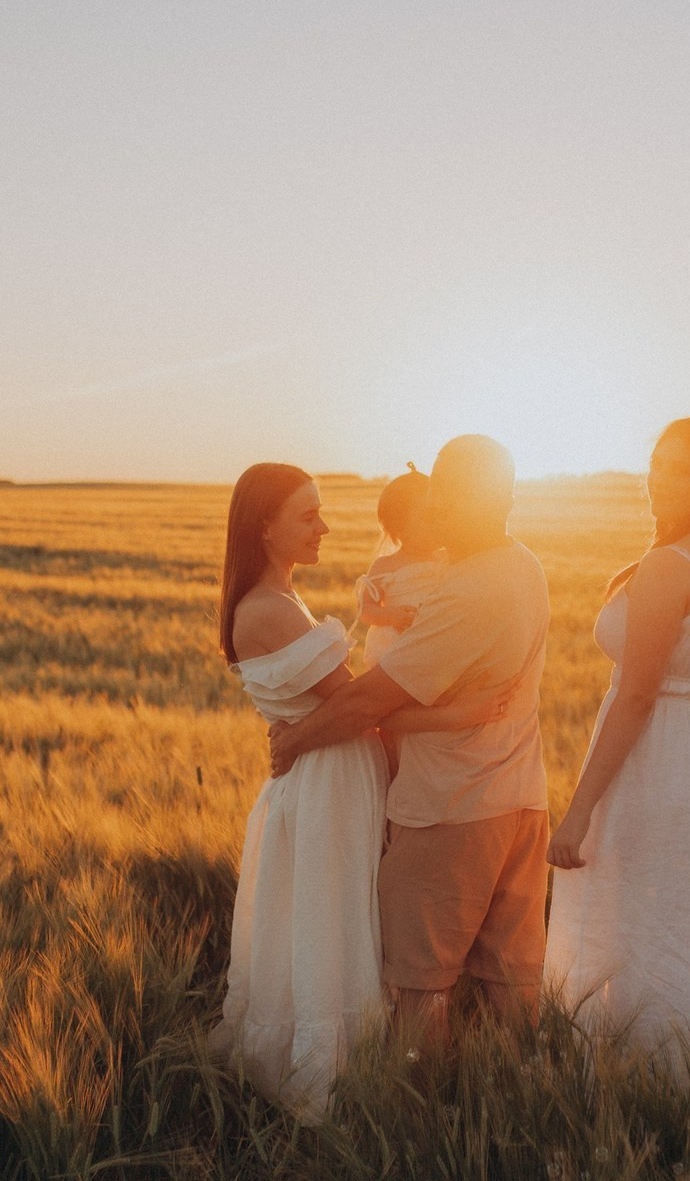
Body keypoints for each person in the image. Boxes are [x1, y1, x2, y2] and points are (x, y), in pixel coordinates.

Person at [210, 463, 503, 1115]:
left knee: (341, 915)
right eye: (307, 515)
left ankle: (346, 1073)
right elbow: (362, 704)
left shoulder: (285, 602)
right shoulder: (265, 610)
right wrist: (455, 713)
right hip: (323, 790)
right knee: (330, 917)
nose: (326, 526)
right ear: (265, 526)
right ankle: (324, 1086)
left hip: (335, 779)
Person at [543, 417, 690, 1137]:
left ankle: (644, 1112)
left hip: (659, 766)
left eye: (677, 470)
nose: (656, 479)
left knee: (642, 926)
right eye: (654, 463)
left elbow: (639, 695)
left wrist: (579, 808)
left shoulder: (672, 566)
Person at [269, 435, 549, 1046]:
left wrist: (294, 741)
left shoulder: (469, 587)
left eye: (443, 489)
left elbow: (375, 698)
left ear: (463, 497)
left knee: (420, 988)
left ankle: (419, 1125)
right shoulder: (521, 562)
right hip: (521, 799)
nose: (434, 501)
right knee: (511, 983)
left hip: (451, 808)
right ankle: (525, 1106)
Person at [355, 464, 443, 670]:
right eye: (427, 518)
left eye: (439, 515)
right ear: (399, 525)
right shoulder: (386, 565)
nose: (437, 523)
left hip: (436, 644)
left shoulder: (447, 560)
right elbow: (364, 609)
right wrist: (391, 615)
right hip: (396, 646)